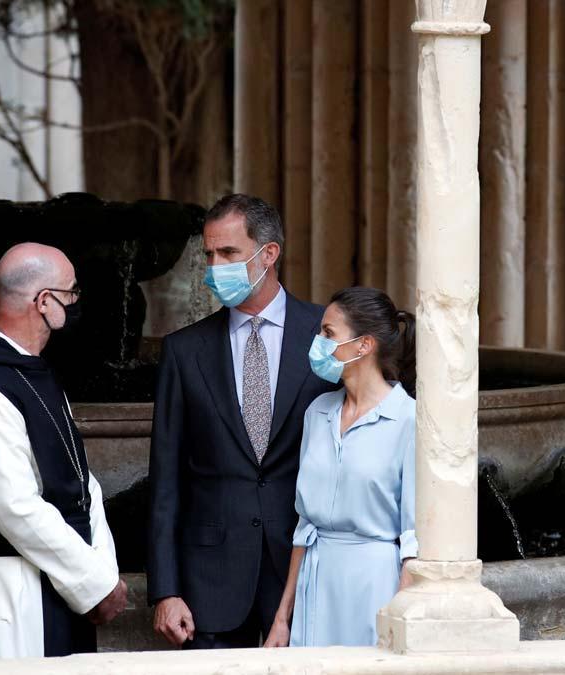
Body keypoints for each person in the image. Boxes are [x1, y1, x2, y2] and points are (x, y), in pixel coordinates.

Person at [147, 194, 336, 649]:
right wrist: (166, 590)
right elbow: (166, 480)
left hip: (302, 573)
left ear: (268, 253)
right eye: (209, 255)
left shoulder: (326, 335)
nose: (215, 267)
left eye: (228, 253)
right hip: (208, 585)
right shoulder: (184, 351)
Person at [0, 242, 127, 659]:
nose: (76, 303)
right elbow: (13, 506)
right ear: (44, 302)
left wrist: (101, 575)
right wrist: (93, 582)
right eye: (71, 293)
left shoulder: (32, 370)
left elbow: (81, 480)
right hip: (15, 589)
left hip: (65, 580)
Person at [269, 286, 418, 648]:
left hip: (373, 585)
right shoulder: (318, 412)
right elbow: (304, 526)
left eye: (328, 333)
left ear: (364, 345)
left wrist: (397, 621)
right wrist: (281, 619)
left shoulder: (408, 419)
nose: (318, 341)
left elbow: (414, 540)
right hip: (314, 583)